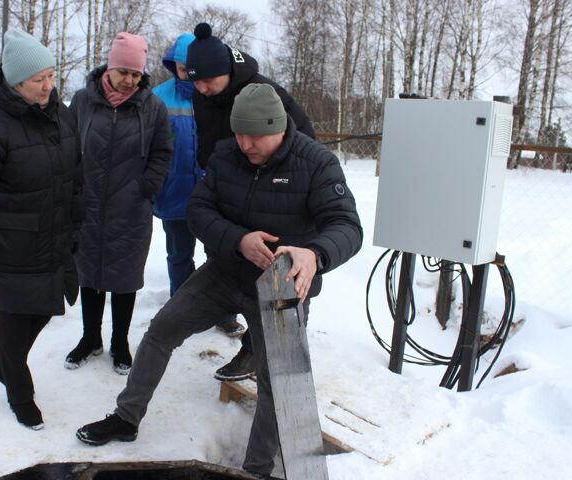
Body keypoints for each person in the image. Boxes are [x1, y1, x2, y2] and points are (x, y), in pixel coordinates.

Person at [74, 83, 363, 478]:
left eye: (255, 135)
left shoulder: (316, 163)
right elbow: (198, 209)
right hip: (226, 272)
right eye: (239, 133)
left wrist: (314, 253)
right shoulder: (227, 155)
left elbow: (347, 225)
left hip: (281, 287)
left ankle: (256, 469)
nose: (245, 143)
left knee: (275, 379)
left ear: (279, 127)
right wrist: (237, 240)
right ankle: (127, 416)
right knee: (161, 330)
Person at [0, 28, 82, 430]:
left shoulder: (59, 113)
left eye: (51, 75)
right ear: (13, 81)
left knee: (42, 307)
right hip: (8, 241)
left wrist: (76, 221)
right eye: (37, 79)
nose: (47, 85)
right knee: (11, 314)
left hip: (52, 234)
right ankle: (19, 393)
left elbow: (73, 173)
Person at [185, 22, 316, 381]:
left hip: (275, 197)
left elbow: (306, 144)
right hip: (227, 193)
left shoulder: (265, 93)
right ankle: (254, 344)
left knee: (273, 280)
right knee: (228, 266)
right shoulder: (204, 92)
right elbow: (209, 138)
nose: (200, 88)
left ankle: (262, 353)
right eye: (194, 81)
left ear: (225, 70)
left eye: (207, 80)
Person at [64, 32, 172, 375]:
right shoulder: (83, 101)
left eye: (135, 74)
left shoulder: (152, 107)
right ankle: (90, 338)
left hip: (131, 208)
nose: (129, 80)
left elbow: (162, 152)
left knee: (125, 277)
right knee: (89, 273)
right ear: (109, 68)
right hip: (88, 205)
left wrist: (146, 187)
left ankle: (119, 342)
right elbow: (65, 145)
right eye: (123, 72)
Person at [151, 33, 245, 338]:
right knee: (179, 253)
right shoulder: (158, 98)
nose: (186, 72)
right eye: (180, 66)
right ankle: (181, 307)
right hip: (174, 191)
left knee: (219, 253)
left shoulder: (217, 96)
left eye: (190, 66)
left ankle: (224, 312)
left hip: (212, 193)